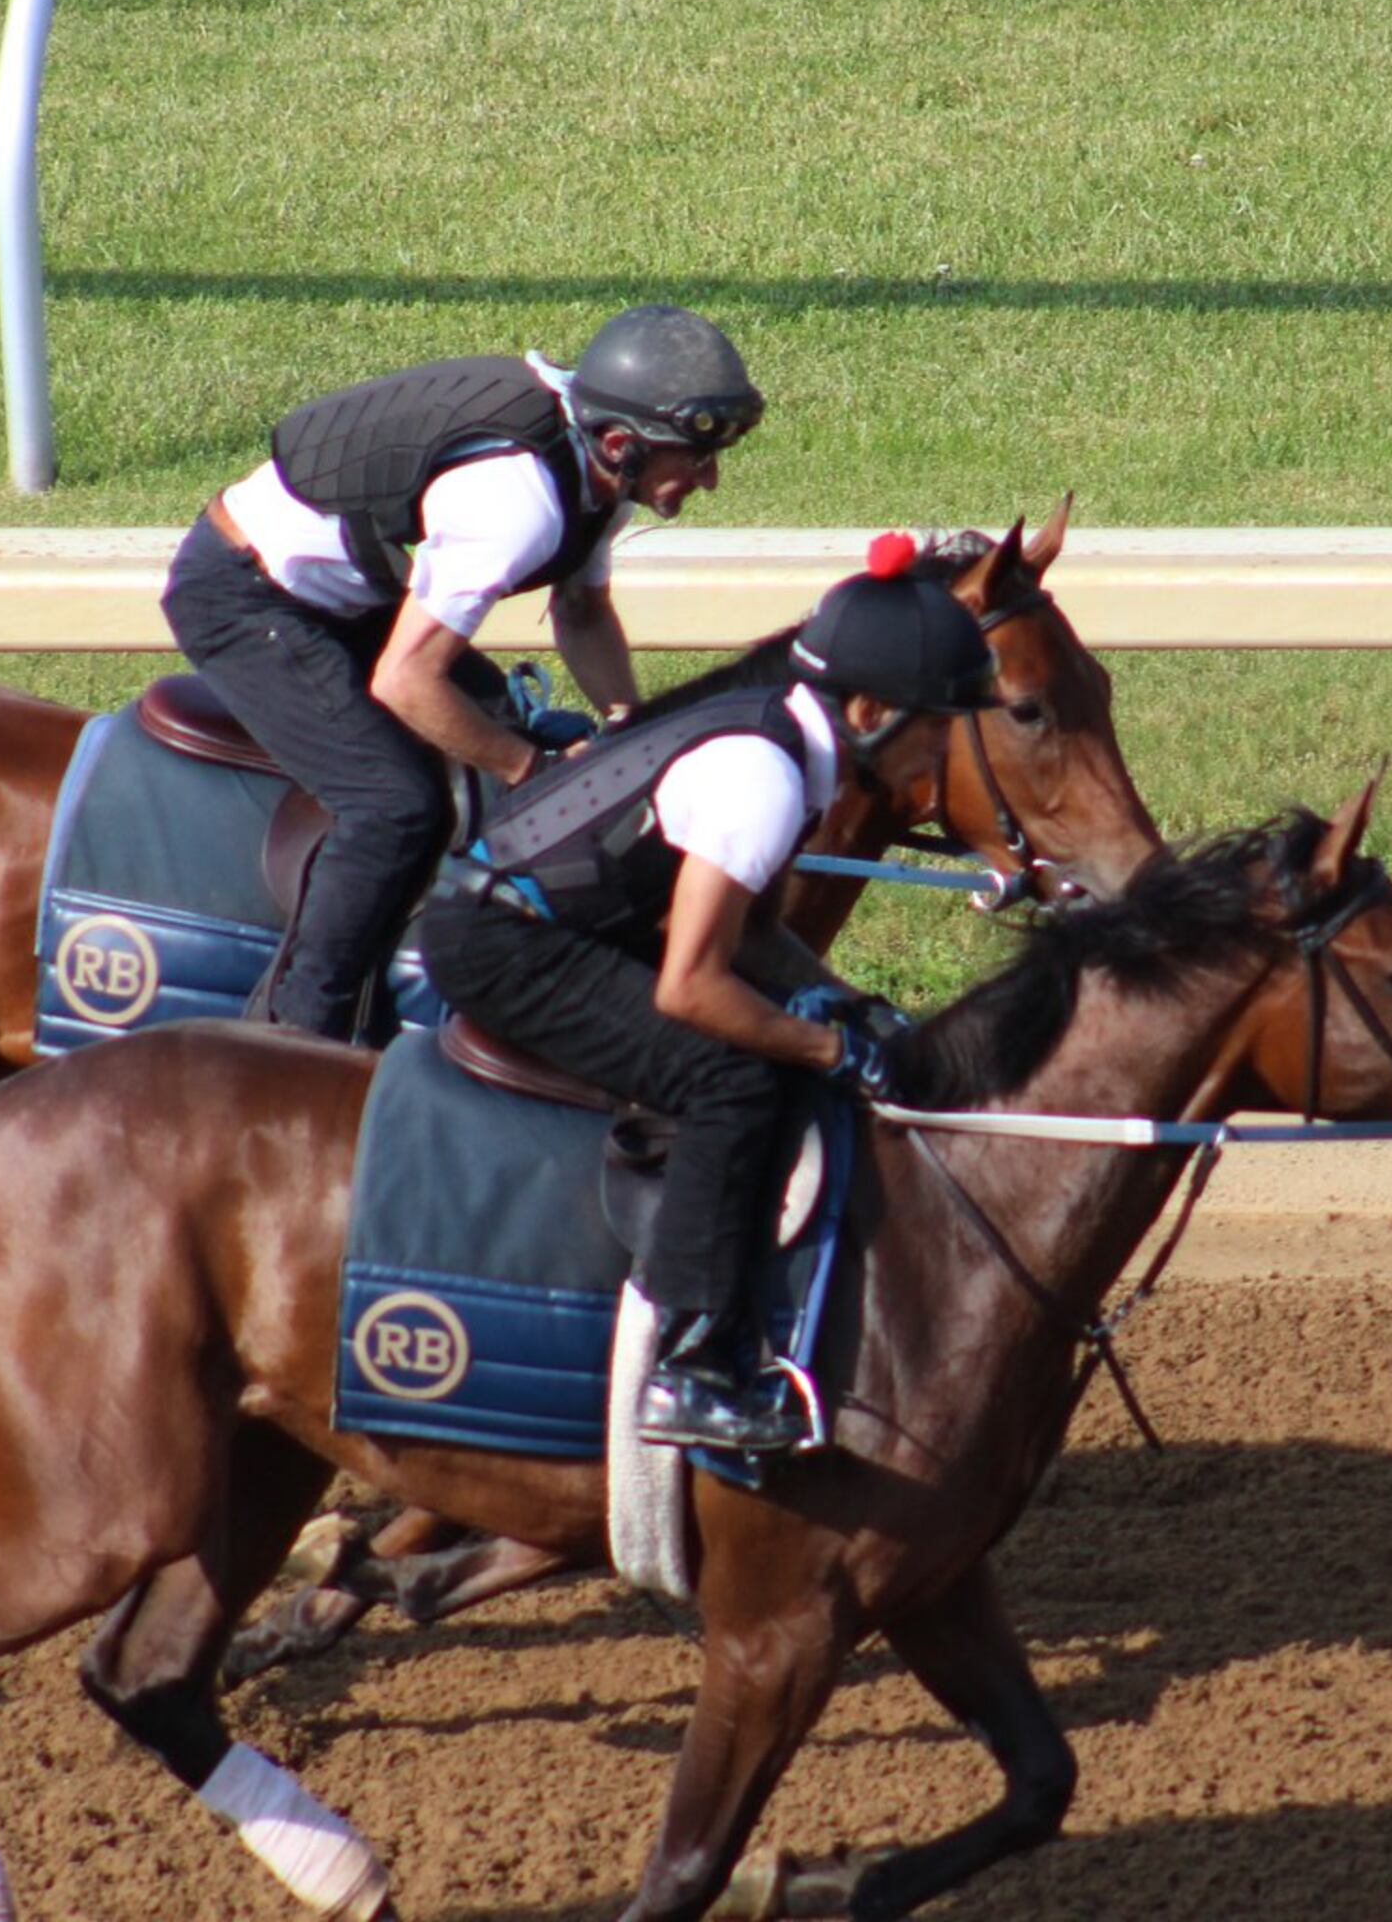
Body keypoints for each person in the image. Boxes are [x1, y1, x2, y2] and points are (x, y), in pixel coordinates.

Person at [413, 537, 998, 1453]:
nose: (942, 752)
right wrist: (828, 1049)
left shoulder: (782, 733)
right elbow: (692, 988)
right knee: (734, 1078)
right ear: (873, 710)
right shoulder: (759, 779)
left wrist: (849, 1004)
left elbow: (755, 934)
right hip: (500, 947)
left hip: (544, 921)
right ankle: (690, 1368)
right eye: (936, 727)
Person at [160, 306, 761, 1042]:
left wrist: (628, 733)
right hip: (246, 597)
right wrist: (528, 768)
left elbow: (582, 611)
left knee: (523, 739)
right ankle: (296, 1034)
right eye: (695, 458)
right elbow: (406, 682)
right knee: (395, 806)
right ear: (619, 442)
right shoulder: (518, 506)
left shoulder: (599, 473)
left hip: (354, 598)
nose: (711, 479)